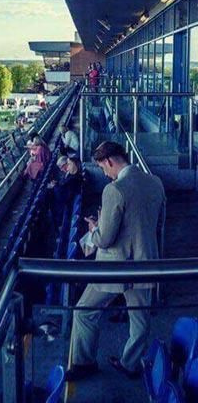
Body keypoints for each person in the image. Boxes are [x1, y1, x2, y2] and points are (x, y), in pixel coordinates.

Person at [66, 141, 165, 381]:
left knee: (84, 311)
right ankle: (130, 364)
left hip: (115, 267)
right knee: (140, 320)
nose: (104, 173)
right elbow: (154, 224)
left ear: (109, 161)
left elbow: (106, 238)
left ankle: (84, 362)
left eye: (102, 167)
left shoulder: (114, 190)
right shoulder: (155, 182)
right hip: (145, 264)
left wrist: (95, 228)